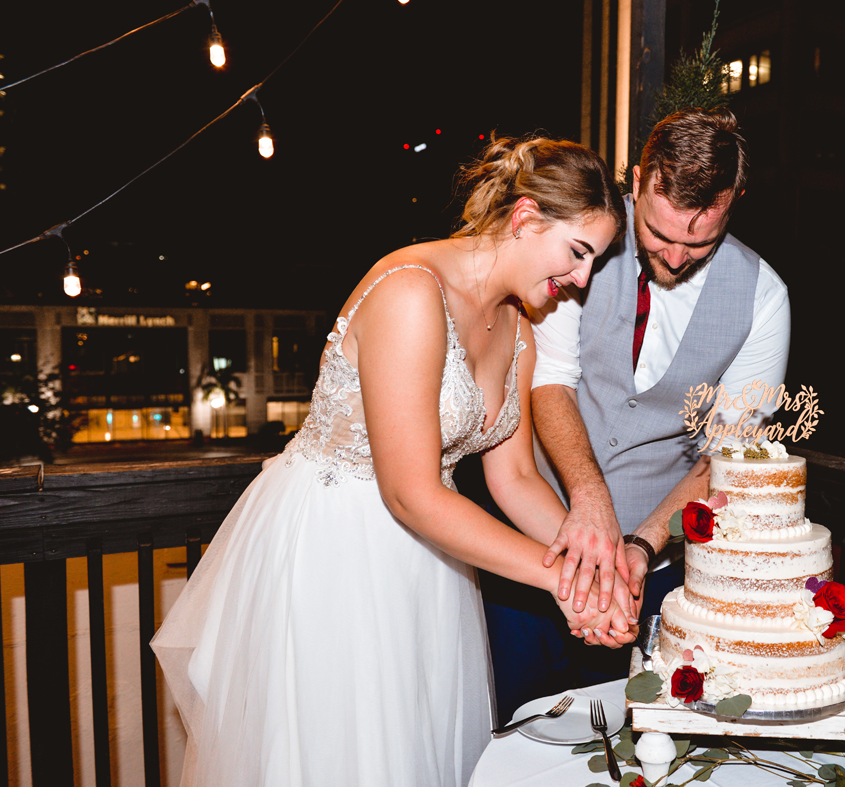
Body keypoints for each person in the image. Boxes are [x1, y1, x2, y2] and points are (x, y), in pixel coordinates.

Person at [150, 135, 635, 787]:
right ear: (525, 218)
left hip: (430, 562)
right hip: (335, 551)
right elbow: (408, 492)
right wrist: (558, 582)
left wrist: (591, 570)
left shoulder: (519, 327)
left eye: (594, 262)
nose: (582, 279)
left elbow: (514, 477)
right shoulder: (411, 291)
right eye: (578, 253)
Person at [483, 107, 791, 720]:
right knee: (515, 725)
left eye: (699, 241)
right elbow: (551, 378)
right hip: (533, 537)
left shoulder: (764, 297)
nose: (675, 257)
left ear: (734, 202)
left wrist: (642, 547)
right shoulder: (580, 243)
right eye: (658, 233)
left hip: (658, 571)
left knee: (637, 739)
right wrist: (589, 502)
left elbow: (725, 455)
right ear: (638, 179)